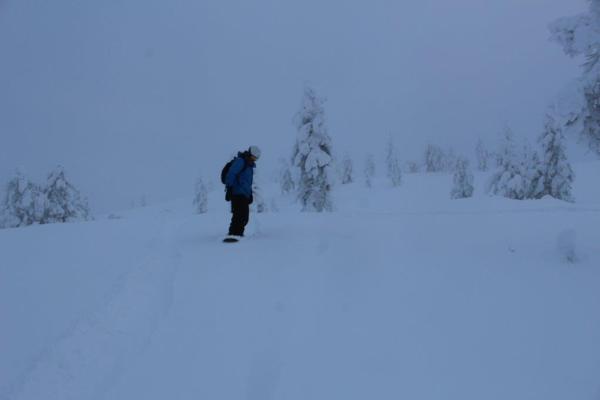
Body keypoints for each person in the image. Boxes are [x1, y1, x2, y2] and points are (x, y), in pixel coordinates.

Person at [224, 146, 261, 239]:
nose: (254, 160)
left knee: (244, 217)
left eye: (256, 158)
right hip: (237, 193)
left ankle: (238, 234)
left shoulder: (249, 166)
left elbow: (247, 183)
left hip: (244, 195)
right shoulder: (241, 161)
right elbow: (231, 173)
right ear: (250, 154)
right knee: (238, 215)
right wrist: (229, 188)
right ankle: (233, 234)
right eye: (254, 157)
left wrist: (250, 194)